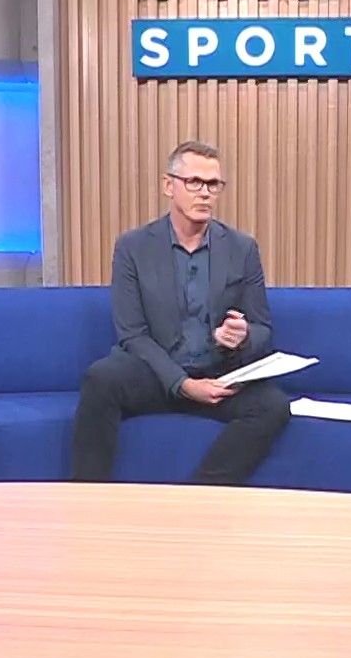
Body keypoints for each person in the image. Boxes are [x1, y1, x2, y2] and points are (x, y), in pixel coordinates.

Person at [70, 140, 292, 484]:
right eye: (194, 182)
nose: (205, 193)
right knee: (101, 380)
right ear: (168, 185)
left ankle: (201, 496)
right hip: (156, 375)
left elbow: (263, 327)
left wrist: (241, 337)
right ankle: (88, 498)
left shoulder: (242, 248)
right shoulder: (133, 247)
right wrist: (183, 384)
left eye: (213, 184)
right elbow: (132, 334)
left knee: (273, 406)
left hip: (218, 376)